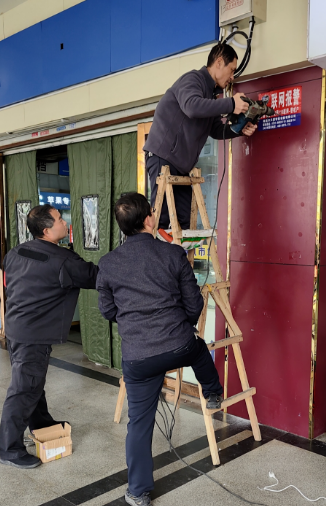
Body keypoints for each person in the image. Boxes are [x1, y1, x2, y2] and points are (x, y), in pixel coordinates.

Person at [97, 193, 223, 506]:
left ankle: (138, 492)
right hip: (179, 344)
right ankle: (213, 393)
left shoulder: (109, 263)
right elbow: (194, 303)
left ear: (124, 227)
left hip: (138, 357)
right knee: (198, 349)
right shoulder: (173, 253)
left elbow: (108, 311)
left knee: (139, 424)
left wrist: (132, 321)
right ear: (149, 219)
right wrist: (182, 327)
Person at [0, 204, 98, 469]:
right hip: (33, 334)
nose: (65, 222)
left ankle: (41, 422)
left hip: (17, 328)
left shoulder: (16, 252)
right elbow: (95, 276)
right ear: (46, 230)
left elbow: (8, 283)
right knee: (24, 388)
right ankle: (9, 449)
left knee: (32, 380)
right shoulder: (63, 260)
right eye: (59, 220)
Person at [144, 42, 257, 230]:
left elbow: (214, 129)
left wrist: (238, 129)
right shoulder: (192, 79)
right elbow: (191, 106)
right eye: (232, 70)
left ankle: (178, 261)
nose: (232, 76)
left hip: (180, 166)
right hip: (162, 158)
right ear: (219, 62)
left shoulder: (211, 97)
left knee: (184, 222)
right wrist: (230, 104)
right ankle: (155, 259)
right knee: (162, 221)